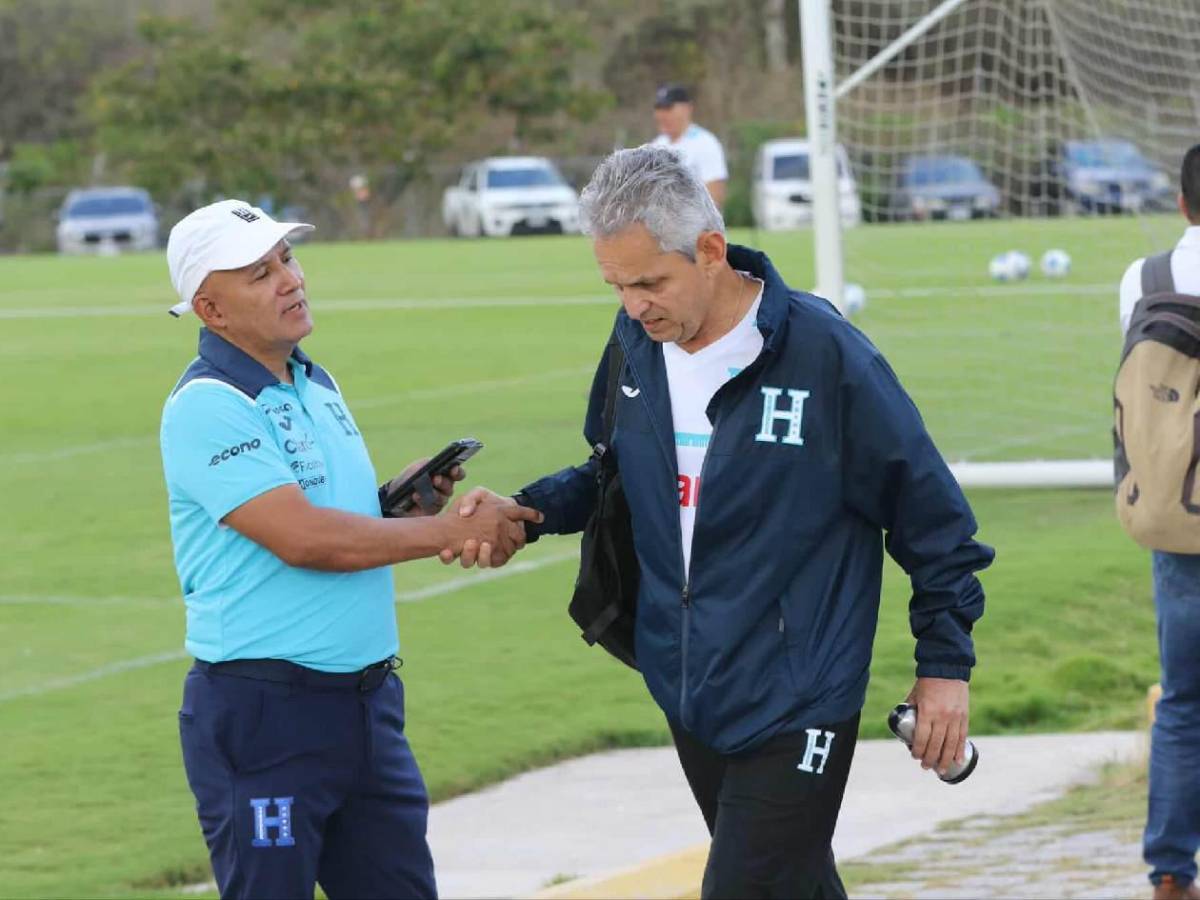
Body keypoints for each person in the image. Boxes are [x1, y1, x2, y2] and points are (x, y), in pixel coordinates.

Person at [455, 146, 994, 898]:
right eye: (616, 286)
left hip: (802, 692)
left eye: (649, 282)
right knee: (794, 886)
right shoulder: (635, 347)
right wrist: (532, 512)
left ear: (710, 251)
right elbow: (610, 473)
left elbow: (934, 522)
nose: (635, 306)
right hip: (689, 683)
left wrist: (945, 667)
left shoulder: (826, 355)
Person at [158, 199, 541, 900]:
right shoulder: (209, 405)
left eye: (287, 260)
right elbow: (304, 538)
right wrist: (449, 533)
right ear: (210, 309)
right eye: (259, 273)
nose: (289, 279)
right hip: (266, 716)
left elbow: (336, 516)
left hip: (365, 707)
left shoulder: (314, 380)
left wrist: (404, 501)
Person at [1118, 144, 1200, 900]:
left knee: (1183, 698)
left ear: (1182, 204)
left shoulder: (1143, 281)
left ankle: (1171, 871)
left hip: (1179, 513)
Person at [652, 84, 729, 210]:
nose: (662, 114)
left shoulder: (706, 143)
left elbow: (716, 193)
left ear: (687, 108)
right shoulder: (655, 145)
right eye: (658, 108)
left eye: (668, 108)